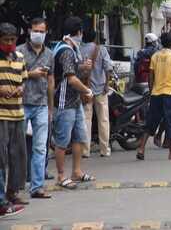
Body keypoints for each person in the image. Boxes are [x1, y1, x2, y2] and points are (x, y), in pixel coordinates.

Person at [53, 17, 95, 190]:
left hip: (75, 101)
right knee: (63, 140)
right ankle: (61, 176)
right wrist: (87, 90)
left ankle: (76, 172)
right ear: (78, 32)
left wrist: (84, 67)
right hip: (65, 101)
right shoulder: (66, 51)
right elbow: (70, 79)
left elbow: (73, 70)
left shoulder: (71, 48)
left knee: (79, 136)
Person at [18, 18, 54, 199]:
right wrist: (31, 74)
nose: (38, 34)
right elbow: (12, 76)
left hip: (41, 105)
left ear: (46, 33)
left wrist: (50, 106)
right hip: (21, 104)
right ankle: (15, 188)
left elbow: (50, 80)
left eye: (41, 31)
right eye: (35, 30)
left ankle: (37, 187)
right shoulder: (19, 52)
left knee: (40, 148)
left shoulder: (49, 54)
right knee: (17, 147)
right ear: (29, 31)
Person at [136, 32, 171, 160]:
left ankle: (141, 149)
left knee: (151, 122)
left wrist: (152, 91)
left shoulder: (155, 56)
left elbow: (150, 77)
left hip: (156, 94)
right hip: (169, 94)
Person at [0, 23, 28, 217]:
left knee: (18, 156)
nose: (10, 43)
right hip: (1, 115)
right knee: (1, 159)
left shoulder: (20, 57)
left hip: (18, 113)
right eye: (6, 40)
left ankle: (12, 192)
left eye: (12, 40)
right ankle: (1, 199)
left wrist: (20, 89)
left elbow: (24, 79)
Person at [80, 29, 113, 158]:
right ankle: (104, 149)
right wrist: (107, 84)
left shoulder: (80, 50)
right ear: (95, 38)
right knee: (103, 120)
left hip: (85, 89)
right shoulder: (101, 50)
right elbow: (108, 67)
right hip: (100, 88)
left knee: (86, 120)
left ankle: (85, 151)